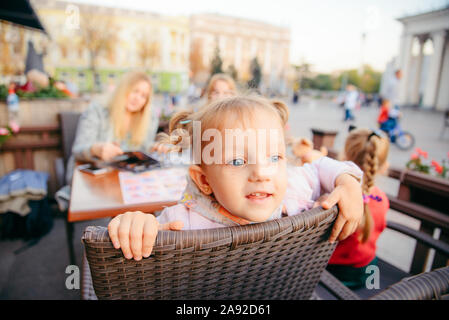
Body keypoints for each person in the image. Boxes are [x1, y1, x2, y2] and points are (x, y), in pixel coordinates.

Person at [107, 95, 365, 261]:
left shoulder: (291, 188)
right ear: (204, 181)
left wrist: (348, 181)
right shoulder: (179, 222)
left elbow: (320, 166)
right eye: (238, 161)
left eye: (274, 157)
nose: (262, 173)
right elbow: (146, 233)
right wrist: (136, 225)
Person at [67, 71, 160, 183]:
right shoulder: (97, 111)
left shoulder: (148, 119)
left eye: (144, 96)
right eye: (135, 91)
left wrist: (154, 148)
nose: (138, 98)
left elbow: (142, 149)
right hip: (94, 180)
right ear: (123, 89)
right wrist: (96, 149)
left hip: (127, 180)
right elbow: (78, 150)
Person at [326, 127, 390, 289]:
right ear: (383, 166)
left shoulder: (335, 197)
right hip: (367, 271)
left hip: (331, 275)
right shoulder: (381, 198)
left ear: (344, 158)